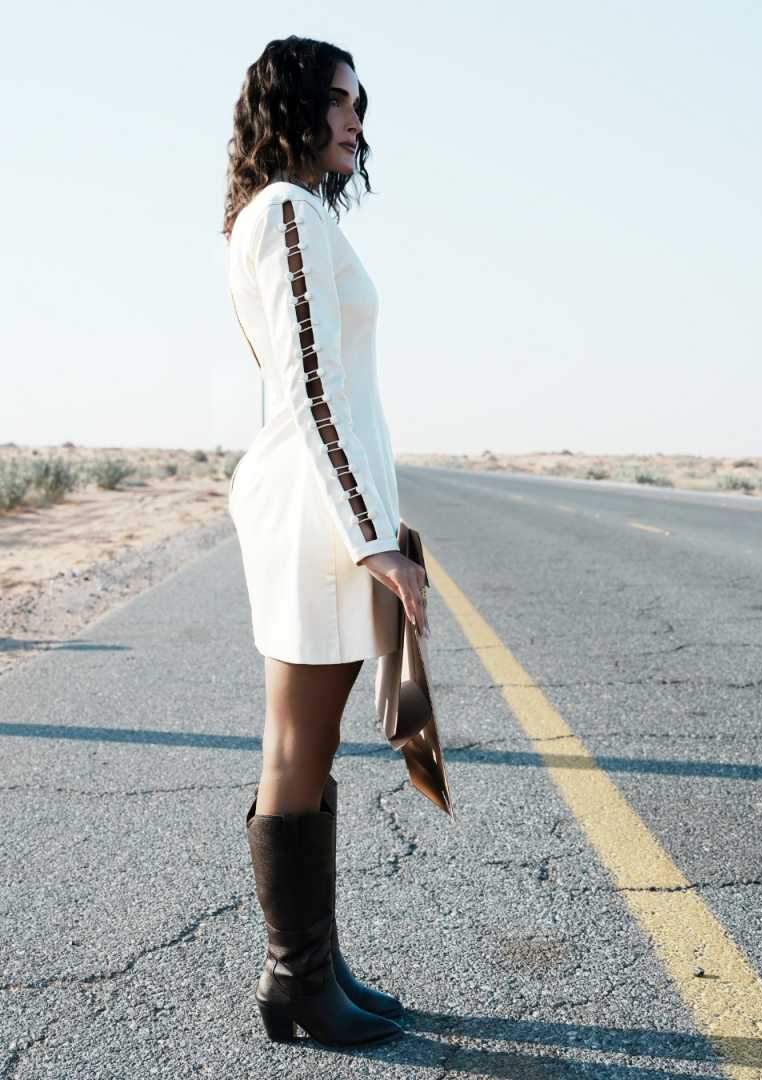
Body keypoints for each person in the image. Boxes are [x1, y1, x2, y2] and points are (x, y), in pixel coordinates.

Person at [221, 35, 429, 1047]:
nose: (356, 120)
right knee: (300, 741)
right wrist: (371, 538)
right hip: (315, 518)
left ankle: (308, 970)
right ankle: (296, 977)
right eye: (341, 100)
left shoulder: (283, 212)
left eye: (360, 103)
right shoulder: (288, 213)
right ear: (296, 105)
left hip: (319, 511)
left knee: (307, 740)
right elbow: (314, 385)